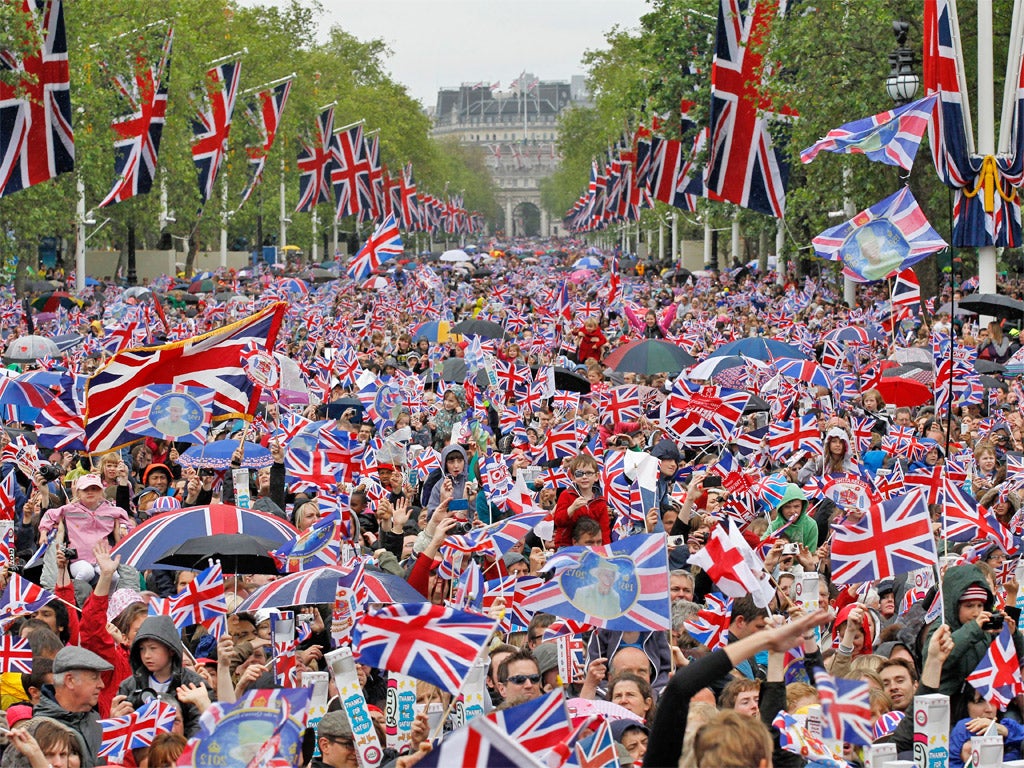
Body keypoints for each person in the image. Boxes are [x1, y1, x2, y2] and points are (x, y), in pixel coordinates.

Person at [35, 646, 123, 767]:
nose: (101, 685)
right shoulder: (40, 730)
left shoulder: (95, 720)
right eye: (94, 678)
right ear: (70, 681)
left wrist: (115, 731)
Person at [37, 474, 132, 585]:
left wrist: (123, 528)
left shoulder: (112, 510)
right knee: (87, 572)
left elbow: (126, 521)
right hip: (78, 559)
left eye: (94, 489)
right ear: (78, 493)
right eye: (85, 489)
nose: (90, 492)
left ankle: (109, 599)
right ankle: (73, 593)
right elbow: (49, 515)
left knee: (113, 576)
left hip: (103, 557)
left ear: (101, 492)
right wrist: (43, 532)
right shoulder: (70, 509)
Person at [553, 453, 609, 549]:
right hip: (567, 545)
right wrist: (572, 509)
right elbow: (558, 521)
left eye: (589, 473)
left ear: (596, 477)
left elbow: (604, 530)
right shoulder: (566, 495)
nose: (584, 477)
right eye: (579, 474)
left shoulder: (600, 501)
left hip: (593, 546)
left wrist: (605, 549)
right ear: (573, 477)